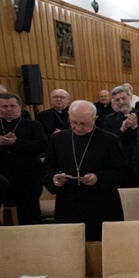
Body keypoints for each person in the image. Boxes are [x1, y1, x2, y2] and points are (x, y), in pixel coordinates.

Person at [42, 100, 125, 241]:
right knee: (69, 245)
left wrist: (98, 178)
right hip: (68, 202)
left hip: (101, 203)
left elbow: (123, 172)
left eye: (83, 123)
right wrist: (54, 178)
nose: (78, 127)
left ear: (95, 119)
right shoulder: (58, 139)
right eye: (73, 122)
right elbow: (47, 167)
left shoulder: (110, 140)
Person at [0, 92, 47, 224]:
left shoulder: (33, 125)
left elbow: (41, 146)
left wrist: (15, 143)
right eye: (4, 106)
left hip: (28, 176)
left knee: (30, 213)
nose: (8, 109)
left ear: (19, 107)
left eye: (12, 106)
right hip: (3, 176)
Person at [103, 85, 139, 187]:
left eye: (124, 98)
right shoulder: (109, 119)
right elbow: (107, 142)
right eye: (117, 100)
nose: (121, 102)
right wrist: (122, 130)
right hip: (121, 167)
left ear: (130, 98)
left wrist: (135, 127)